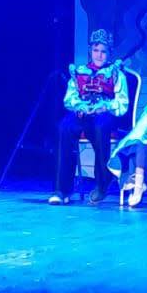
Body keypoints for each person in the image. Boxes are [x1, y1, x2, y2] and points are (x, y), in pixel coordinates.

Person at [51, 29, 128, 205]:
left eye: (103, 51)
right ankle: (61, 189)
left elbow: (122, 103)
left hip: (104, 114)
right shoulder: (80, 72)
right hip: (84, 112)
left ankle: (102, 183)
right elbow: (70, 98)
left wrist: (105, 107)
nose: (99, 55)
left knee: (100, 127)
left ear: (109, 53)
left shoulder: (116, 73)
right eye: (96, 50)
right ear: (90, 51)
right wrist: (79, 107)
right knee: (64, 127)